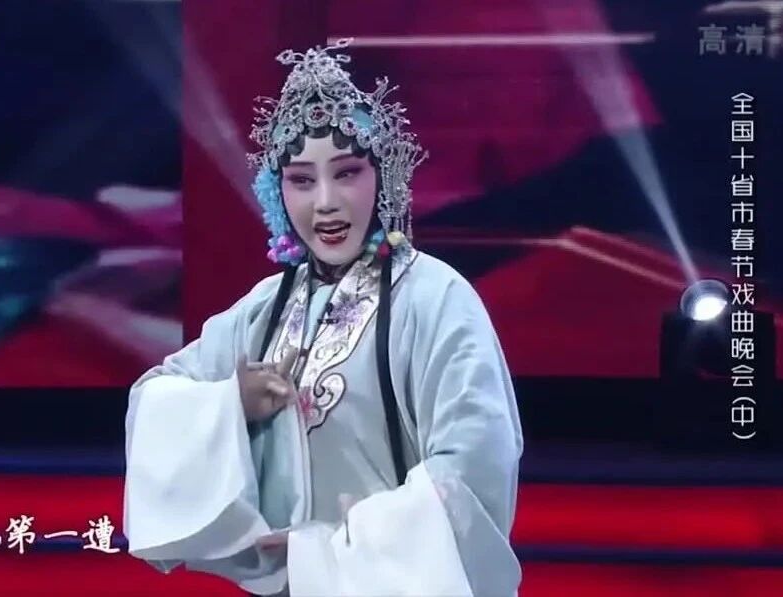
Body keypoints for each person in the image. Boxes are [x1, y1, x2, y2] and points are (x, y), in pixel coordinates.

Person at [124, 38, 523, 596]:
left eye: (347, 172)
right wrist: (230, 402)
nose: (326, 202)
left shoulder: (435, 298)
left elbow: (476, 461)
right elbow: (155, 399)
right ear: (277, 192)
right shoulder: (266, 307)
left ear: (384, 177)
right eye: (302, 180)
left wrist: (360, 538)